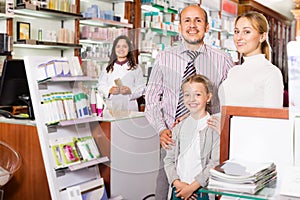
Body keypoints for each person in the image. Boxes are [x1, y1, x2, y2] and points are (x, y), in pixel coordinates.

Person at [145, 4, 234, 199]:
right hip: (171, 139)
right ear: (179, 26)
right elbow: (151, 99)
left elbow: (232, 101)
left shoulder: (223, 60)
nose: (192, 25)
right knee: (164, 191)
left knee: (206, 193)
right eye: (187, 20)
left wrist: (219, 125)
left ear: (207, 27)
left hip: (208, 146)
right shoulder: (164, 58)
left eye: (198, 20)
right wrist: (162, 129)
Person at [164, 74, 219, 200]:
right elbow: (169, 160)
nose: (192, 99)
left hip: (201, 191)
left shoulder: (214, 128)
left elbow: (214, 163)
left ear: (208, 97)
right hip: (178, 190)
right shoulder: (178, 127)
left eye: (198, 94)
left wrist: (192, 188)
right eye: (187, 94)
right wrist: (177, 184)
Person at [218, 11, 284, 108]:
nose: (239, 37)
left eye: (246, 32)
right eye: (236, 31)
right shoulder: (233, 71)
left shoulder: (271, 73)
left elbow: (272, 119)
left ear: (262, 37)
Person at [98, 35, 145, 111]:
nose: (121, 49)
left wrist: (130, 91)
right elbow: (101, 85)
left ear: (129, 49)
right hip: (111, 107)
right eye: (118, 46)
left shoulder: (136, 68)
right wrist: (109, 90)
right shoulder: (107, 67)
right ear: (114, 49)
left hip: (130, 108)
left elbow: (141, 87)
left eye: (124, 46)